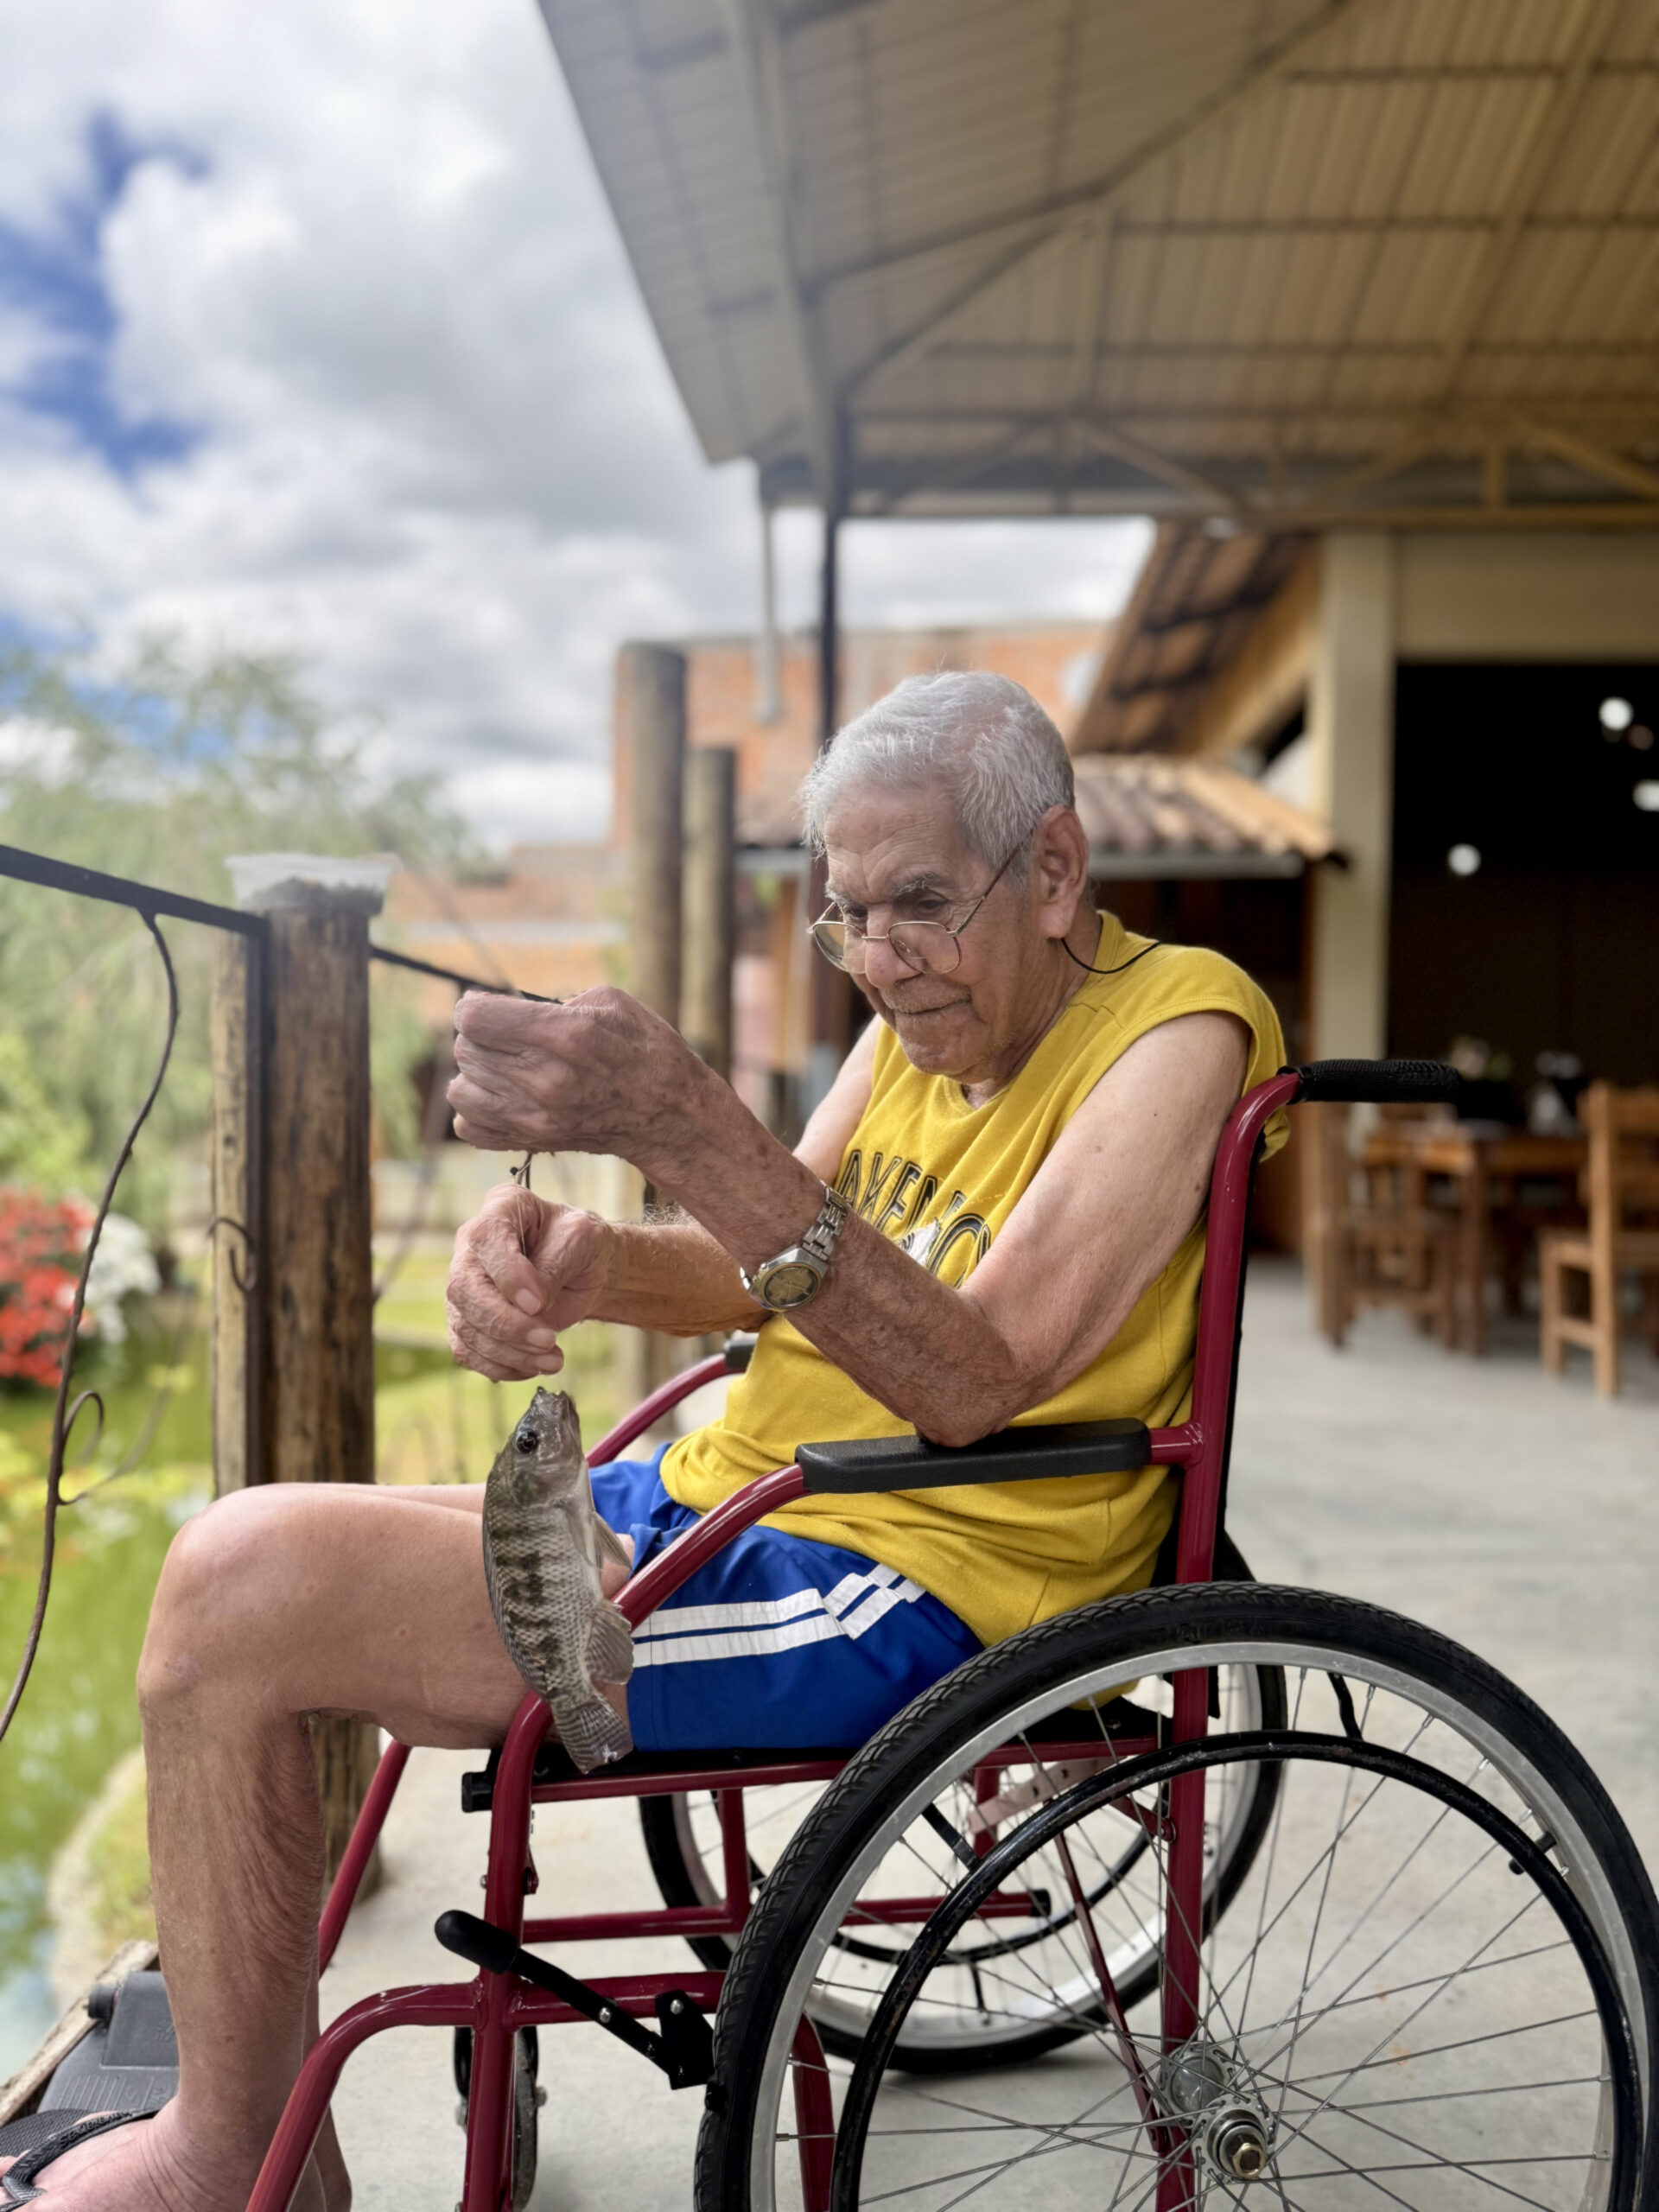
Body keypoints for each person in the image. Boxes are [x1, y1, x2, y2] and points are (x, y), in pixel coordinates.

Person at [1, 672, 1283, 2209]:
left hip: (921, 1557)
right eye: (848, 916)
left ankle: (227, 2163)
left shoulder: (1183, 1022)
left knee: (243, 1591)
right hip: (741, 1493)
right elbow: (775, 1261)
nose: (880, 961)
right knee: (253, 1548)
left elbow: (979, 1377)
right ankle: (260, 2131)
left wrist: (687, 1120)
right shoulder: (914, 1032)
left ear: (1058, 869)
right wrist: (593, 1256)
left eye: (921, 906)